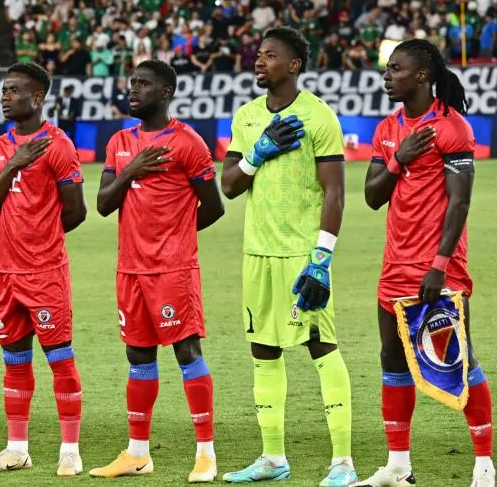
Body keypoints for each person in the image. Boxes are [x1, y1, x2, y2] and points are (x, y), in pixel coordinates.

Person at [220, 27, 356, 486]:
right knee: (264, 351)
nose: (259, 62)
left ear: (294, 65)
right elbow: (230, 185)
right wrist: (258, 153)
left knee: (322, 349)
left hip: (302, 254)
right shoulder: (247, 116)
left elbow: (335, 193)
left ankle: (342, 462)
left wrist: (322, 258)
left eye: (270, 56)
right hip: (257, 251)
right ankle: (273, 459)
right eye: (258, 55)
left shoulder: (318, 116)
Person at [357, 39, 492, 487]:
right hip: (394, 265)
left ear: (420, 76)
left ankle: (484, 465)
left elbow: (459, 203)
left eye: (395, 69)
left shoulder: (452, 128)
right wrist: (400, 158)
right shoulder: (387, 129)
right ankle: (398, 467)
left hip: (439, 270)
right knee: (392, 360)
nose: (387, 75)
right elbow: (373, 195)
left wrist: (439, 264)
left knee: (460, 360)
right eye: (387, 68)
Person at [92, 60, 225, 482]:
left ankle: (206, 453)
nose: (133, 90)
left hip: (173, 270)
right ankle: (137, 453)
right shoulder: (119, 141)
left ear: (165, 92)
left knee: (186, 352)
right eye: (132, 83)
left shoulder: (187, 142)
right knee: (138, 355)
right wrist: (130, 171)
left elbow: (214, 206)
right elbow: (103, 203)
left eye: (144, 84)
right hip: (130, 269)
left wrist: (176, 236)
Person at [0, 63, 87, 476]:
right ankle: (16, 448)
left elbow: (75, 213)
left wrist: (41, 239)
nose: (5, 96)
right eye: (4, 89)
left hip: (44, 273)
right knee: (14, 362)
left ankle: (70, 449)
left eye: (13, 90)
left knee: (60, 359)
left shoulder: (58, 144)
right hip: (4, 273)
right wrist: (14, 165)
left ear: (36, 98)